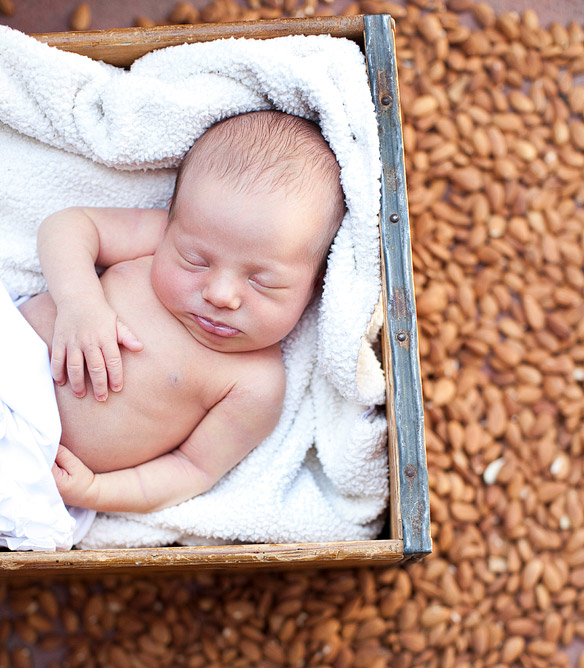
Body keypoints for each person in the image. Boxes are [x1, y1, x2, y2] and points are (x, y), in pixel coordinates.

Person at [17, 110, 346, 518]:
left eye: (262, 282)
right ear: (174, 219)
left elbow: (192, 469)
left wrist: (95, 490)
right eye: (196, 261)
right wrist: (80, 303)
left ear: (315, 286)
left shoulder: (255, 384)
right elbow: (68, 225)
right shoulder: (158, 239)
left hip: (34, 471)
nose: (221, 294)